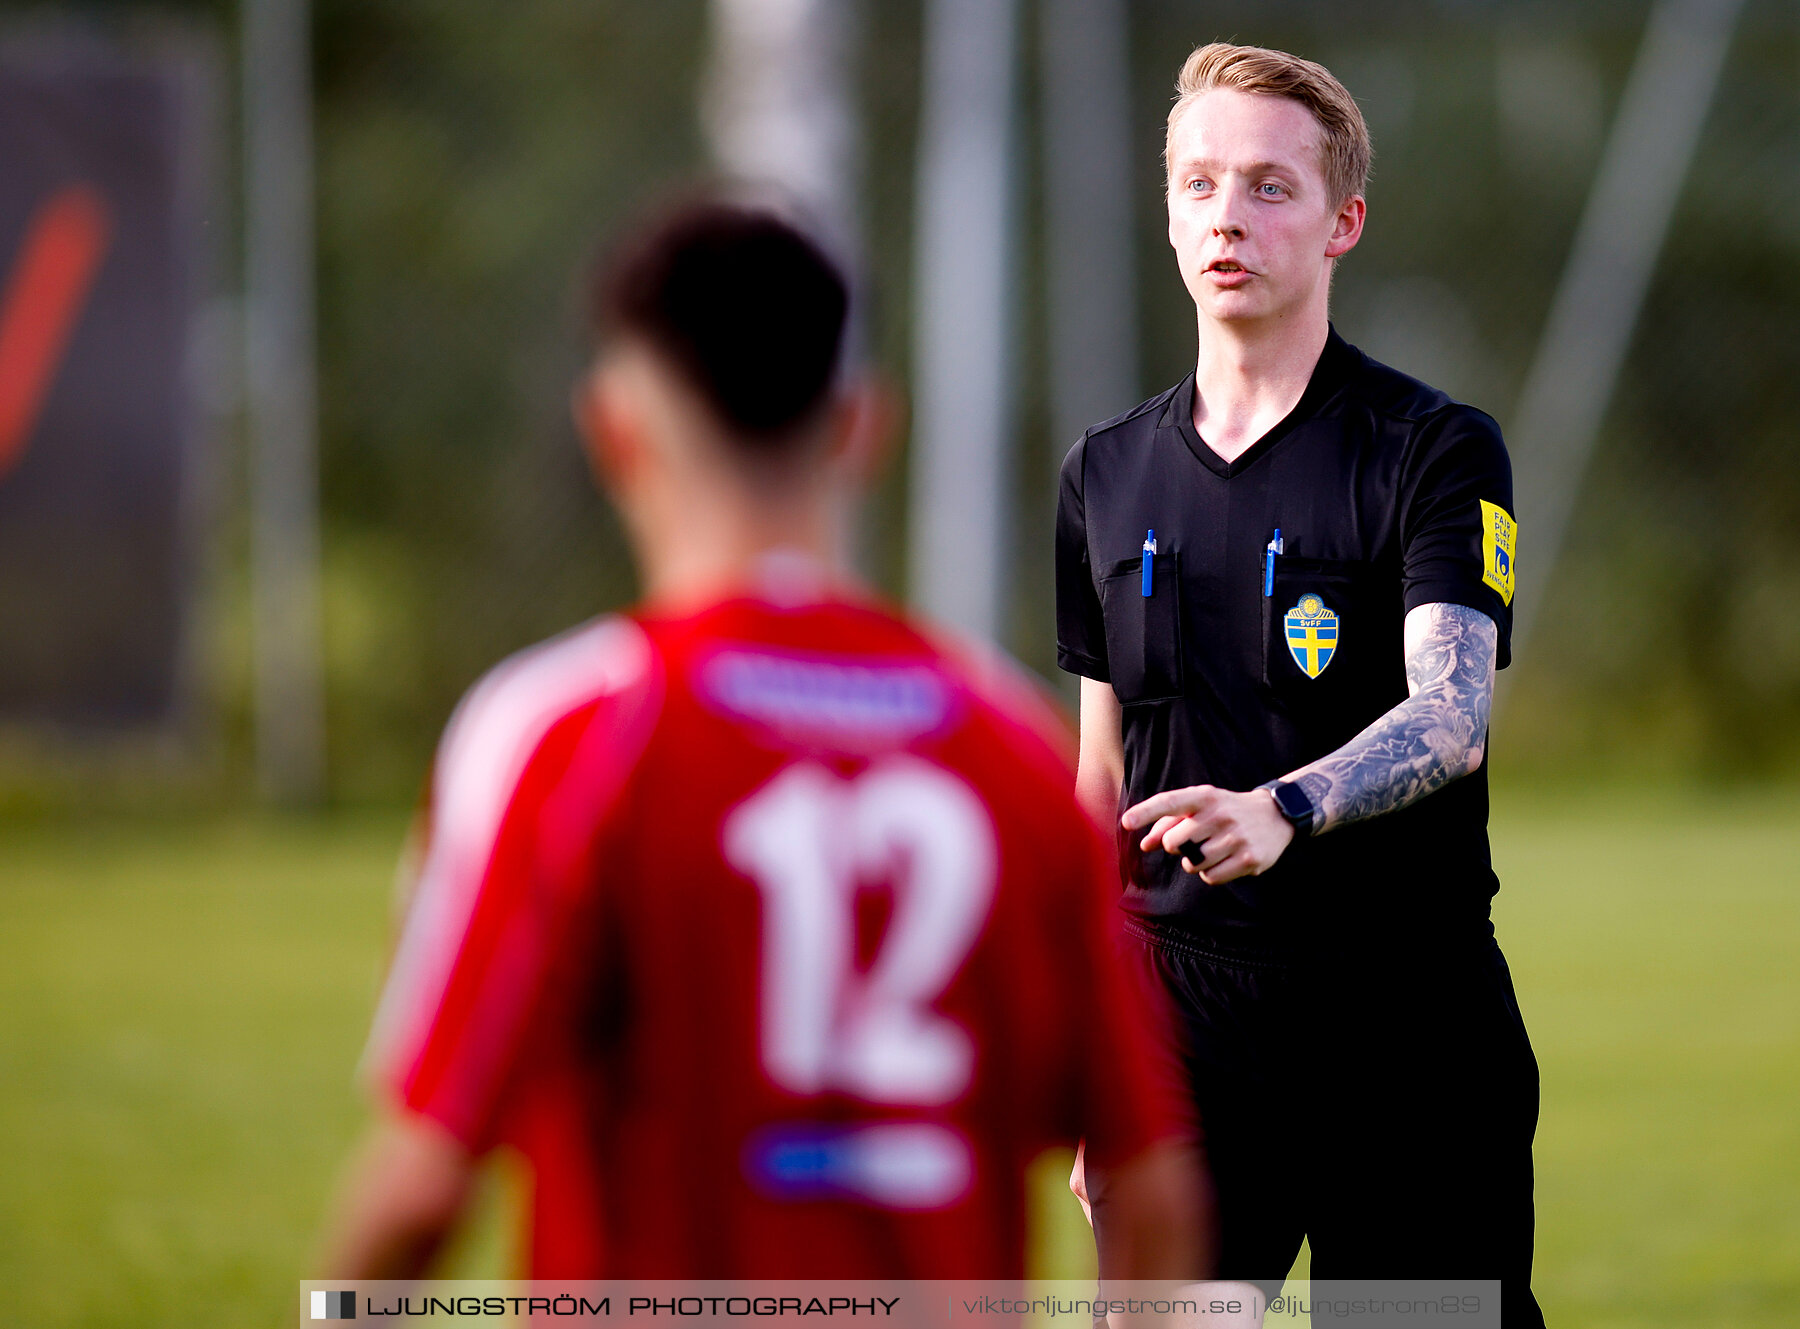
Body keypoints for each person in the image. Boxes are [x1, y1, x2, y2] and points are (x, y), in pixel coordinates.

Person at [316, 199, 1201, 1280]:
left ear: (614, 433)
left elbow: (424, 1185)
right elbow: (1149, 1182)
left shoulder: (570, 730)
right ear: (864, 427)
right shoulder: (1008, 742)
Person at [1054, 43, 1543, 1326]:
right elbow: (1098, 777)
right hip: (1183, 1030)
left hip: (1407, 1023)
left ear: (1343, 224)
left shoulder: (1437, 450)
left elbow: (1454, 715)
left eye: (1270, 187)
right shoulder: (1103, 477)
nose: (1227, 214)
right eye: (1199, 183)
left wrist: (1290, 805)